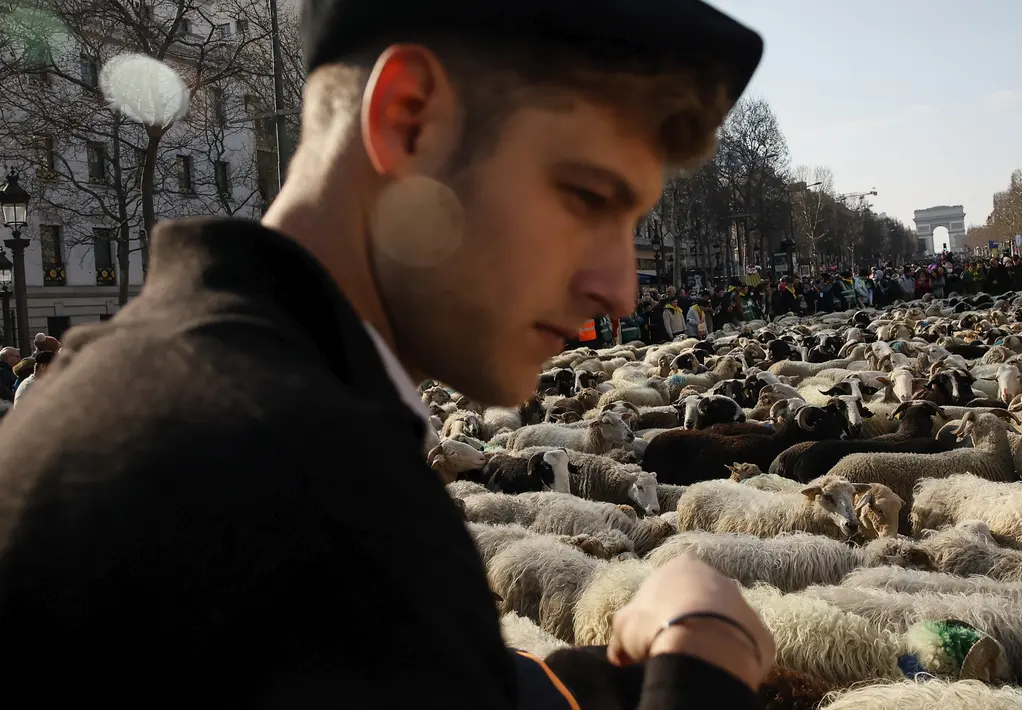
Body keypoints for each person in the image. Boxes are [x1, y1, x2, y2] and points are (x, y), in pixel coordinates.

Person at [0, 0, 774, 706]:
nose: (621, 291)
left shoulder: (146, 394)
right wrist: (704, 665)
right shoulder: (314, 490)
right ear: (408, 121)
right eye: (587, 197)